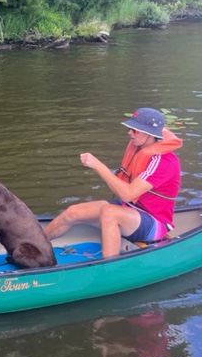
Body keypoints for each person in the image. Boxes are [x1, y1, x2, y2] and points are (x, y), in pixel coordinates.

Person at [44, 108, 182, 258]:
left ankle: (109, 268)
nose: (130, 133)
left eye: (135, 130)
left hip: (155, 224)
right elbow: (124, 195)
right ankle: (33, 245)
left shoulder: (164, 161)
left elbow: (128, 194)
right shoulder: (139, 148)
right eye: (130, 128)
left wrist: (98, 165)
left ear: (150, 134)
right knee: (72, 212)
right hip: (131, 208)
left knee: (109, 213)